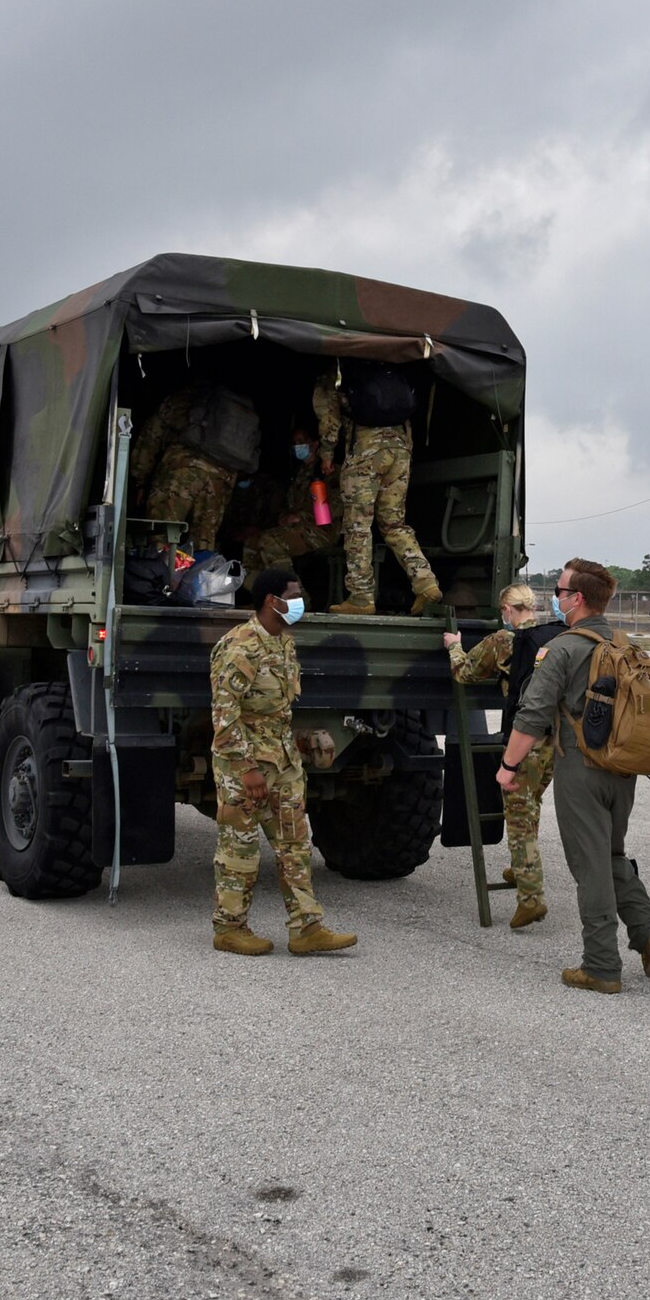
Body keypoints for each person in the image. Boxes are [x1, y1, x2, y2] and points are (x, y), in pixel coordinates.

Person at [499, 559, 650, 992]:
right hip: (623, 768)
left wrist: (509, 767)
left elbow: (532, 714)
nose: (555, 598)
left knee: (589, 865)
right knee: (611, 855)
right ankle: (647, 931)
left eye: (559, 591)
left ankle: (601, 965)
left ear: (576, 599)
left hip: (581, 769)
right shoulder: (625, 644)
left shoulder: (563, 648)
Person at [207, 567, 358, 957]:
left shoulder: (284, 644)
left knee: (295, 844)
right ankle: (230, 928)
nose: (300, 602)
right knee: (240, 849)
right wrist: (247, 768)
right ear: (271, 601)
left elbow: (280, 710)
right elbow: (225, 717)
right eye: (293, 596)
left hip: (284, 760)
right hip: (245, 764)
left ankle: (307, 928)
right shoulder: (240, 646)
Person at [443, 583, 562, 930]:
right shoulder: (556, 637)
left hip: (524, 740)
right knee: (531, 804)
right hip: (555, 742)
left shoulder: (503, 640)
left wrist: (454, 647)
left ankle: (531, 900)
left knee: (519, 817)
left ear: (508, 610)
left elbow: (465, 672)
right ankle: (522, 868)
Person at [315, 366, 443, 616]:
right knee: (394, 524)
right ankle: (426, 582)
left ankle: (361, 596)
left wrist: (327, 453)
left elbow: (329, 418)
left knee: (358, 525)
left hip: (367, 452)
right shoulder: (390, 368)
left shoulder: (340, 370)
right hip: (400, 450)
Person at [131, 385, 258, 550]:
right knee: (203, 541)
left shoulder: (180, 398)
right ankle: (200, 567)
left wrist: (140, 480)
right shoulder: (237, 407)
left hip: (181, 470)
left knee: (163, 533)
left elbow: (151, 439)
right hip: (220, 480)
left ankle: (161, 565)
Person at [241, 422, 342, 574]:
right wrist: (284, 516)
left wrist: (300, 516)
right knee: (252, 543)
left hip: (321, 531)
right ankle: (261, 587)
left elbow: (337, 506)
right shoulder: (299, 474)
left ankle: (291, 589)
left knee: (270, 541)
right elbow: (288, 505)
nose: (297, 446)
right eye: (295, 443)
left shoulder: (329, 471)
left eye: (301, 441)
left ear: (315, 444)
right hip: (296, 529)